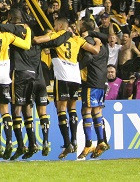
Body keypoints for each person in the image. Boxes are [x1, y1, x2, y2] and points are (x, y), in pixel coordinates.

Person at [34, 18, 101, 159]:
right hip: (75, 77)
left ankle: (67, 143)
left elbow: (39, 40)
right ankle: (75, 140)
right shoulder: (76, 39)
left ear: (59, 26)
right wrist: (99, 42)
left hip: (62, 76)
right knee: (72, 109)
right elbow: (95, 50)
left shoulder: (55, 35)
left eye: (54, 25)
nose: (53, 27)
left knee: (61, 109)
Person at [0, 11, 31, 161]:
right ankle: (9, 141)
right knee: (4, 110)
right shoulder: (7, 36)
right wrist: (28, 30)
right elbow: (26, 45)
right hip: (4, 76)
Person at [77, 20, 110, 159]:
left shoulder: (87, 42)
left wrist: (77, 67)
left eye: (78, 24)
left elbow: (89, 57)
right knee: (97, 110)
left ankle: (89, 143)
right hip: (102, 81)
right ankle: (101, 141)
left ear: (83, 28)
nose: (76, 26)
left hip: (91, 80)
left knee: (86, 110)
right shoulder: (103, 43)